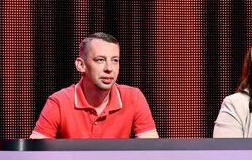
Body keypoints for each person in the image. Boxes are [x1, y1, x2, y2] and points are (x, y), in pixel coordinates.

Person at [30, 33, 158, 139]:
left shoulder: (134, 97)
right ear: (81, 65)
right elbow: (34, 155)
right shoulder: (58, 102)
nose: (109, 68)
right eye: (100, 60)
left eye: (115, 60)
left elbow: (152, 153)